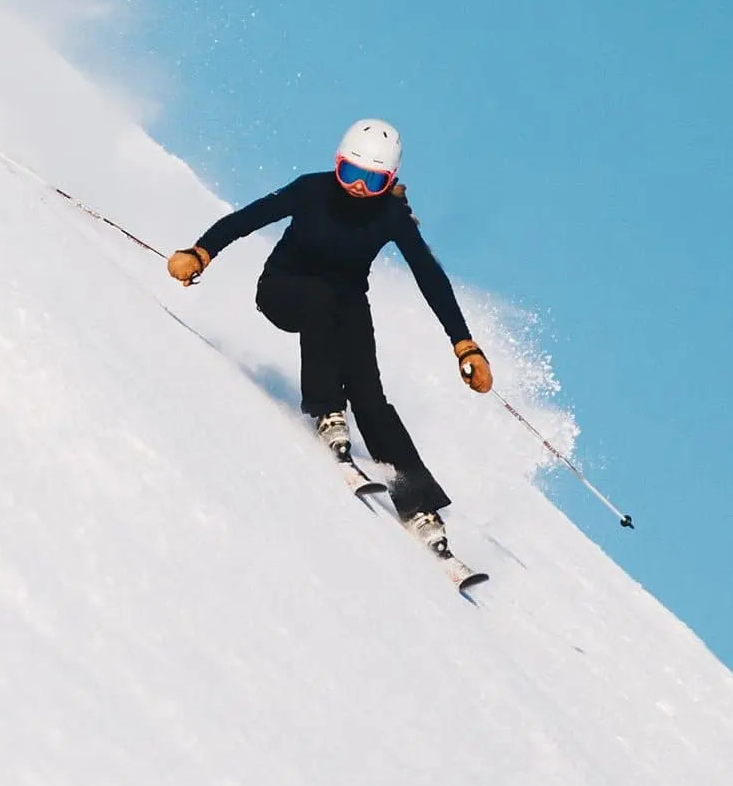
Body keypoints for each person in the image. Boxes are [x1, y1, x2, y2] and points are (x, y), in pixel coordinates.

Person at [166, 118, 492, 542]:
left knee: (371, 394)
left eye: (372, 181)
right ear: (337, 165)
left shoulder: (391, 216)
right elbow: (249, 218)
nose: (358, 187)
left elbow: (429, 275)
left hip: (345, 303)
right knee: (320, 299)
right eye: (351, 173)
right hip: (283, 290)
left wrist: (464, 344)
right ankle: (327, 410)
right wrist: (201, 251)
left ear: (389, 180)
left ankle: (420, 505)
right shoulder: (311, 190)